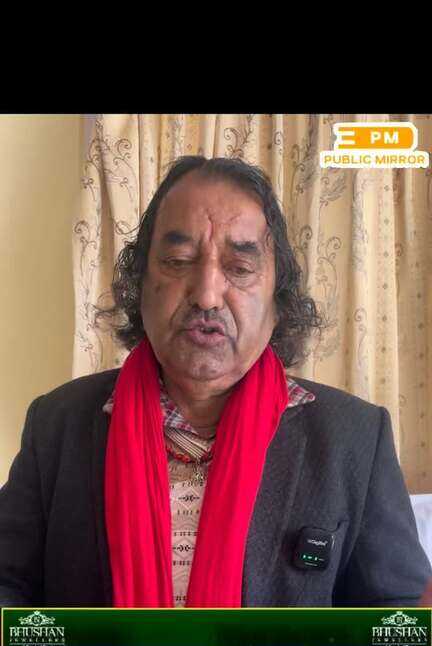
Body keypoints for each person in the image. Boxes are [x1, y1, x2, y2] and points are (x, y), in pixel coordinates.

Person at [0, 155, 430, 608]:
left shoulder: (354, 438)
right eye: (178, 260)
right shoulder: (58, 424)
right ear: (139, 285)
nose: (206, 294)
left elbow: (397, 613)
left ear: (278, 298)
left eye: (239, 268)